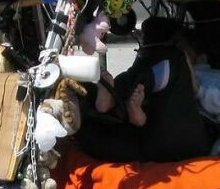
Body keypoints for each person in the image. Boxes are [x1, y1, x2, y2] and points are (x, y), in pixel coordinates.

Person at [75, 17, 212, 163]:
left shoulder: (171, 60)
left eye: (144, 37)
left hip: (165, 146)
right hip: (190, 140)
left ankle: (127, 111)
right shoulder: (185, 66)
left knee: (89, 128)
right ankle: (135, 115)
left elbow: (137, 81)